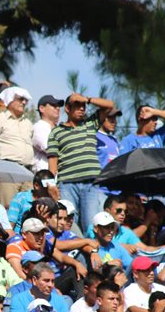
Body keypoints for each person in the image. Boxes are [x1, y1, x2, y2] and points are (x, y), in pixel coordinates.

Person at [48, 92, 115, 225]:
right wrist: (51, 184)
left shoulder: (90, 123)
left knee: (91, 224)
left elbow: (110, 106)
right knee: (69, 224)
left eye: (83, 106)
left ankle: (91, 246)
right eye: (77, 105)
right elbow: (52, 162)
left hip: (90, 183)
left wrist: (87, 99)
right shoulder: (56, 132)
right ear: (67, 109)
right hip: (67, 184)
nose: (82, 109)